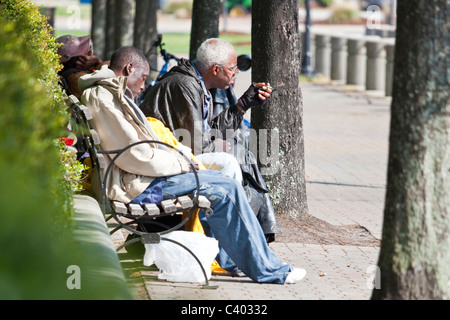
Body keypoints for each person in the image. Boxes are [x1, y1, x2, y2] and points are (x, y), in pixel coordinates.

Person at [78, 46, 305, 284]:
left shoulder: (111, 94)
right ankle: (269, 270)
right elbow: (137, 155)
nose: (144, 86)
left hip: (141, 179)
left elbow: (140, 149)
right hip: (139, 186)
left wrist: (183, 158)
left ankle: (251, 263)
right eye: (143, 78)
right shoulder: (105, 97)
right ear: (129, 69)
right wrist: (182, 163)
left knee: (227, 184)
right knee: (225, 190)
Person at [140, 38, 281, 243]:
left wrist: (242, 104)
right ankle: (235, 238)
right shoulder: (185, 85)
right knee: (232, 159)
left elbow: (207, 134)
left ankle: (245, 233)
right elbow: (199, 146)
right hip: (166, 166)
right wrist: (224, 146)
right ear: (215, 70)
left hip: (178, 158)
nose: (235, 74)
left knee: (240, 151)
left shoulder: (197, 84)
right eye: (233, 69)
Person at [56, 35, 106, 100]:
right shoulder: (80, 79)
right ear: (80, 60)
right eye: (86, 52)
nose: (90, 54)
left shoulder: (69, 76)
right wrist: (99, 63)